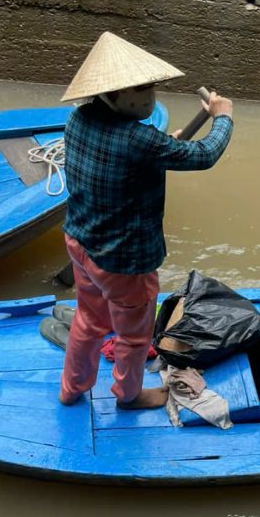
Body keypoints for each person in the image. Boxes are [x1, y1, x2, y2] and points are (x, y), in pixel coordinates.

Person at [58, 31, 234, 409]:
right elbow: (203, 155)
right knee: (134, 337)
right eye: (141, 90)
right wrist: (223, 118)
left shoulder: (78, 119)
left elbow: (133, 153)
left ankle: (72, 388)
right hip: (123, 263)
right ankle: (129, 394)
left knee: (88, 321)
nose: (150, 97)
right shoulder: (140, 141)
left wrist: (163, 144)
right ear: (112, 95)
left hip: (80, 243)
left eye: (151, 88)